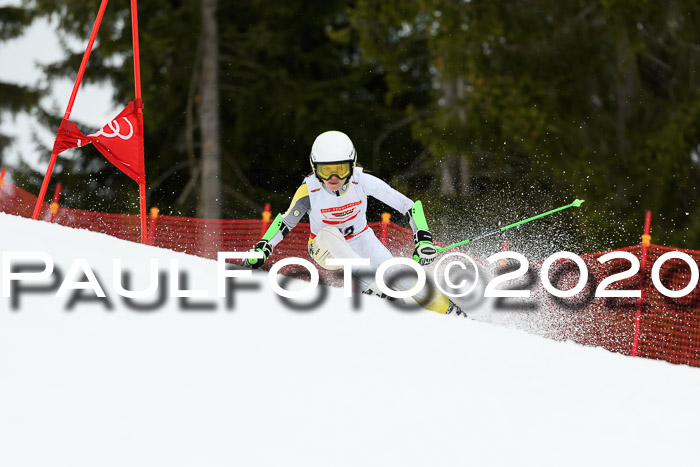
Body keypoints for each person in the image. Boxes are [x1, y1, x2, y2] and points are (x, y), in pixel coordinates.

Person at [244, 130, 465, 317]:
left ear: (351, 165)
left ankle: (453, 314)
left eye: (340, 169)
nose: (333, 177)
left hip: (361, 238)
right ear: (315, 167)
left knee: (400, 275)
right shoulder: (308, 191)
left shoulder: (362, 181)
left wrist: (422, 238)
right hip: (323, 246)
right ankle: (380, 294)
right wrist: (263, 248)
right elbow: (285, 223)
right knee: (334, 238)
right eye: (325, 170)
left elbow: (409, 206)